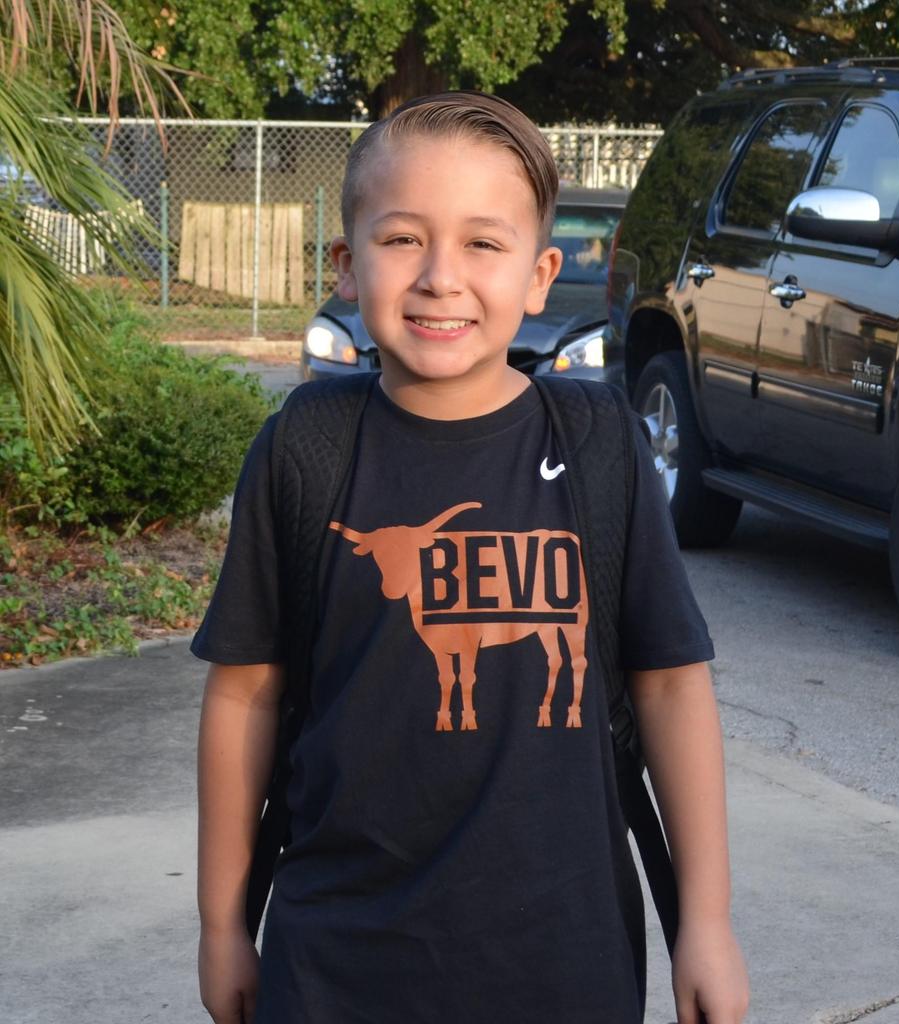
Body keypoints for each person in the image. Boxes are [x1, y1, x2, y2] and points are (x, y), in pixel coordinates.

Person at [192, 91, 750, 1024]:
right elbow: (246, 692)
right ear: (346, 265)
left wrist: (708, 921)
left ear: (539, 277)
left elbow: (669, 687)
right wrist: (220, 926)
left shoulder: (603, 444)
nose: (440, 277)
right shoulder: (305, 450)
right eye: (403, 238)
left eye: (483, 245)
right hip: (337, 959)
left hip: (564, 960)